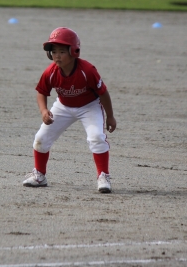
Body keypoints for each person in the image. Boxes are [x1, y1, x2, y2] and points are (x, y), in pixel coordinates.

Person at [23, 27, 117, 193]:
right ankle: (39, 175)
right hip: (63, 106)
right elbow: (41, 92)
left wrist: (110, 116)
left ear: (74, 51)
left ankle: (103, 175)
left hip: (89, 106)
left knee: (96, 137)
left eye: (61, 51)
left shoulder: (87, 71)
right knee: (41, 138)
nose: (56, 55)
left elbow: (103, 93)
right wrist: (44, 111)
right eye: (53, 51)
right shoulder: (50, 72)